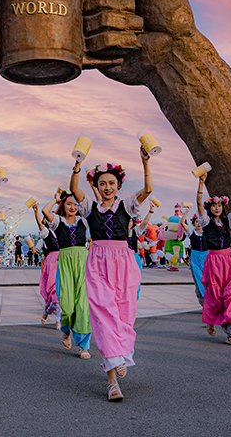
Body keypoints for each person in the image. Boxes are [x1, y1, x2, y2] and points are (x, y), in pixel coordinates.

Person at [71, 146, 152, 403]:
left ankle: (121, 354)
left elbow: (148, 190)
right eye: (102, 183)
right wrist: (77, 166)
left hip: (124, 263)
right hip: (97, 263)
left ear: (118, 185)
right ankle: (112, 381)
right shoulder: (88, 208)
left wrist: (145, 162)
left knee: (124, 314)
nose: (107, 187)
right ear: (96, 185)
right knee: (104, 317)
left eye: (112, 183)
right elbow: (74, 189)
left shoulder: (126, 205)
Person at [195, 174, 231, 345]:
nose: (217, 208)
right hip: (213, 261)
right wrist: (201, 183)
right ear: (210, 208)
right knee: (214, 295)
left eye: (219, 205)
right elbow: (198, 203)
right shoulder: (205, 222)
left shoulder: (229, 219)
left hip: (229, 260)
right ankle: (211, 320)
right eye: (214, 206)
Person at [43, 190, 91, 359]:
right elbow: (45, 212)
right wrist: (55, 199)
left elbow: (94, 206)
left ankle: (83, 346)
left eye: (75, 203)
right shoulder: (58, 222)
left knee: (83, 306)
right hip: (64, 263)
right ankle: (65, 331)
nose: (73, 206)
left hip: (82, 262)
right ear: (63, 205)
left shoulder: (84, 220)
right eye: (68, 203)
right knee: (67, 305)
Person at [34, 200, 61, 329]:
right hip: (51, 262)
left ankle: (57, 319)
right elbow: (39, 225)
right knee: (51, 291)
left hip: (62, 261)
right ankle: (47, 313)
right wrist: (35, 212)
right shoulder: (46, 233)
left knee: (59, 292)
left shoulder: (62, 231)